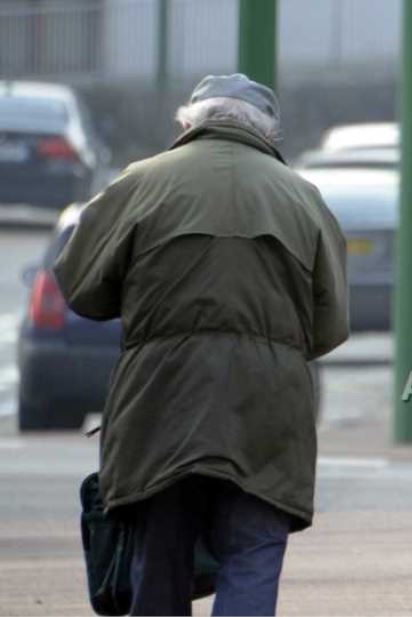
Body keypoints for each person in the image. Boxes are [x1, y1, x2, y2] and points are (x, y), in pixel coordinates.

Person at [55, 74, 349, 616]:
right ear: (270, 132)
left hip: (161, 402)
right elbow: (330, 325)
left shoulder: (139, 183)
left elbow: (81, 288)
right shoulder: (302, 198)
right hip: (265, 408)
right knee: (254, 548)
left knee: (160, 554)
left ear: (188, 122)